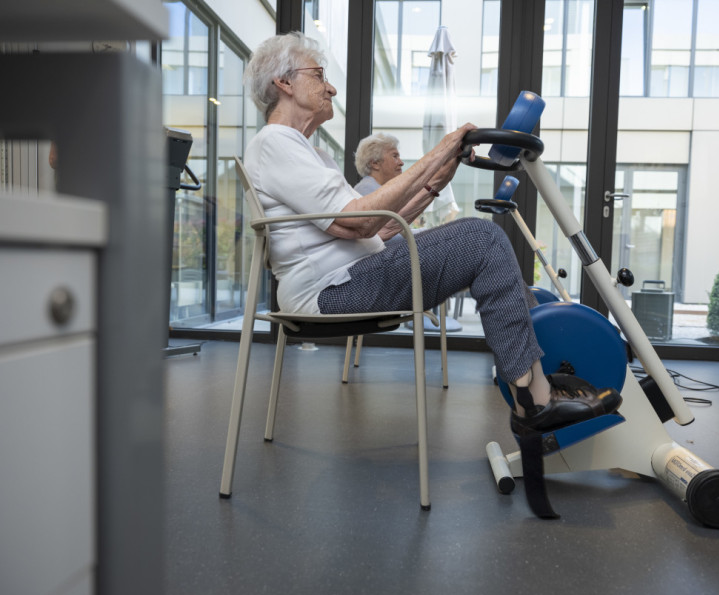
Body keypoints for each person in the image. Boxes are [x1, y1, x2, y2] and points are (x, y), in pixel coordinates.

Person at [242, 31, 621, 437]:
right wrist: (439, 151)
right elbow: (358, 221)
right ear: (283, 82)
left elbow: (381, 225)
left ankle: (536, 382)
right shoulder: (276, 142)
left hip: (350, 275)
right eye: (319, 75)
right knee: (483, 240)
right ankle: (536, 401)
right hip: (332, 290)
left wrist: (438, 179)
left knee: (482, 240)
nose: (331, 87)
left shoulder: (309, 152)